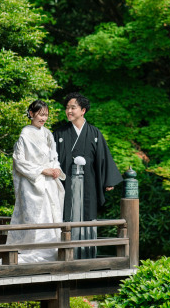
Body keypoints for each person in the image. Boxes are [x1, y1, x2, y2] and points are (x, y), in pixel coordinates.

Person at [53, 92, 123, 258]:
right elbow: (51, 158)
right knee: (66, 213)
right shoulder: (59, 134)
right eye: (67, 108)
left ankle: (86, 254)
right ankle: (66, 254)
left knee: (87, 214)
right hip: (65, 182)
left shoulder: (94, 133)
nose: (69, 111)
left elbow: (102, 157)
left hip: (88, 183)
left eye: (73, 107)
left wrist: (107, 179)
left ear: (83, 110)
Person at [4, 100, 65, 264]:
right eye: (40, 114)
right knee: (36, 218)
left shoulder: (48, 134)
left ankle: (52, 252)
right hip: (32, 184)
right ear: (31, 114)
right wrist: (42, 170)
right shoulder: (25, 134)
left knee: (50, 217)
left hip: (49, 183)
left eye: (46, 115)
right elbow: (19, 161)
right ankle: (33, 253)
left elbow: (54, 157)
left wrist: (56, 168)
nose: (43, 118)